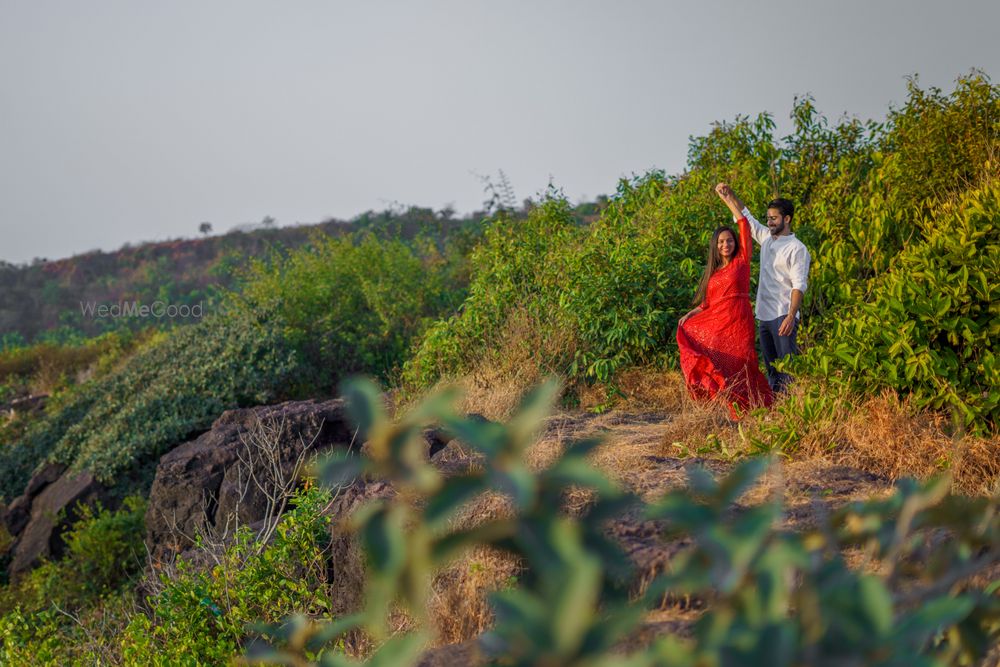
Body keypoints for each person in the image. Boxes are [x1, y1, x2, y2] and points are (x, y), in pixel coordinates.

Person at [676, 205, 773, 418]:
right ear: (715, 246)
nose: (725, 244)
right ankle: (735, 412)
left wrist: (728, 199)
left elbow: (744, 225)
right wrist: (693, 313)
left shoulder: (742, 261)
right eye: (721, 242)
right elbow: (709, 302)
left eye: (729, 240)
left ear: (735, 242)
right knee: (722, 366)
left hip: (738, 322)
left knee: (744, 365)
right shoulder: (714, 272)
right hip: (718, 325)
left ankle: (760, 410)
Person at [714, 183, 811, 393]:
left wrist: (791, 315)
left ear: (787, 219)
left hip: (783, 314)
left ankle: (790, 410)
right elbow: (746, 218)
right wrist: (730, 195)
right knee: (772, 369)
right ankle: (774, 411)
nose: (769, 222)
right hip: (764, 315)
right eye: (768, 218)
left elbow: (799, 285)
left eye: (774, 218)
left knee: (788, 369)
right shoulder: (766, 238)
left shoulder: (797, 248)